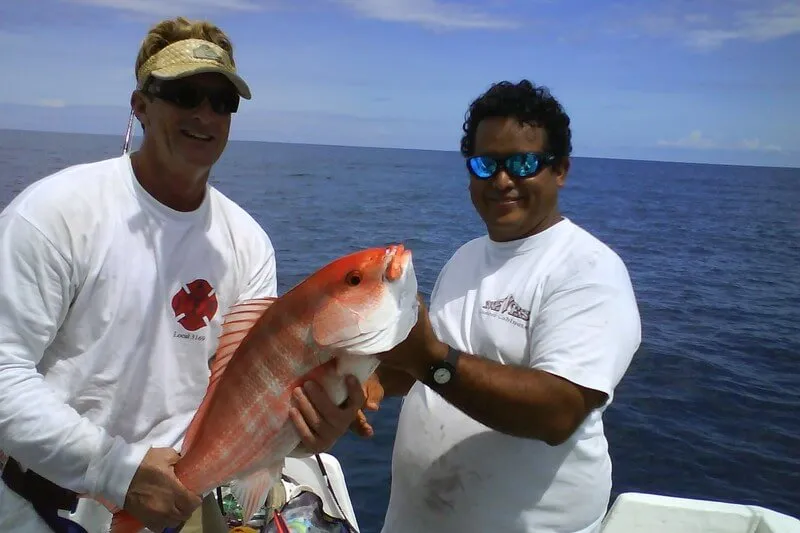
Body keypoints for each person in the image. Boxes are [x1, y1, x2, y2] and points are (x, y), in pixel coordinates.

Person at [0, 16, 364, 533]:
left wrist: (308, 430)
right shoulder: (55, 214)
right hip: (46, 506)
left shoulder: (248, 242)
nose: (205, 114)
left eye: (222, 101)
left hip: (178, 505)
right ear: (141, 105)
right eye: (184, 94)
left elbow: (250, 391)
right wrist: (113, 470)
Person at [354, 79, 642, 532]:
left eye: (523, 163)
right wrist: (370, 382)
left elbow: (558, 411)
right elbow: (428, 367)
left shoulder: (589, 270)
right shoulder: (465, 256)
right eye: (486, 164)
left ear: (560, 170)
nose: (503, 180)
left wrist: (430, 360)